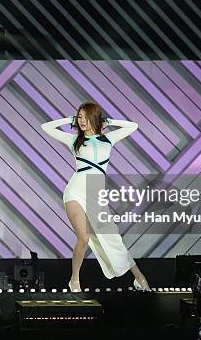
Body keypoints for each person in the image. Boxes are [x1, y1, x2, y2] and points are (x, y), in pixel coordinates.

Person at [41, 101, 150, 292]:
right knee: (83, 238)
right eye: (79, 117)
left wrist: (107, 121)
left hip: (95, 190)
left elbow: (133, 126)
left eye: (85, 117)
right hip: (75, 190)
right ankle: (74, 280)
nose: (81, 121)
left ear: (94, 117)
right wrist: (70, 120)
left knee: (112, 237)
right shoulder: (74, 140)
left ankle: (139, 277)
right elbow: (46, 127)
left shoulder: (108, 139)